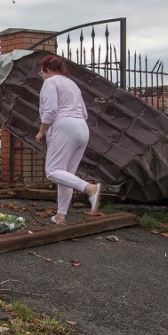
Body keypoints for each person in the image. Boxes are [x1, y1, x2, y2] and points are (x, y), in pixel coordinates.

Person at [35, 54, 101, 224]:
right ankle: (60, 216)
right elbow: (85, 113)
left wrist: (42, 132)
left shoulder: (50, 82)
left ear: (46, 69)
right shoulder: (72, 84)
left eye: (41, 71)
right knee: (65, 175)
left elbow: (50, 111)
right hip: (82, 128)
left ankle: (90, 188)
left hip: (64, 127)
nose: (41, 75)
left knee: (52, 171)